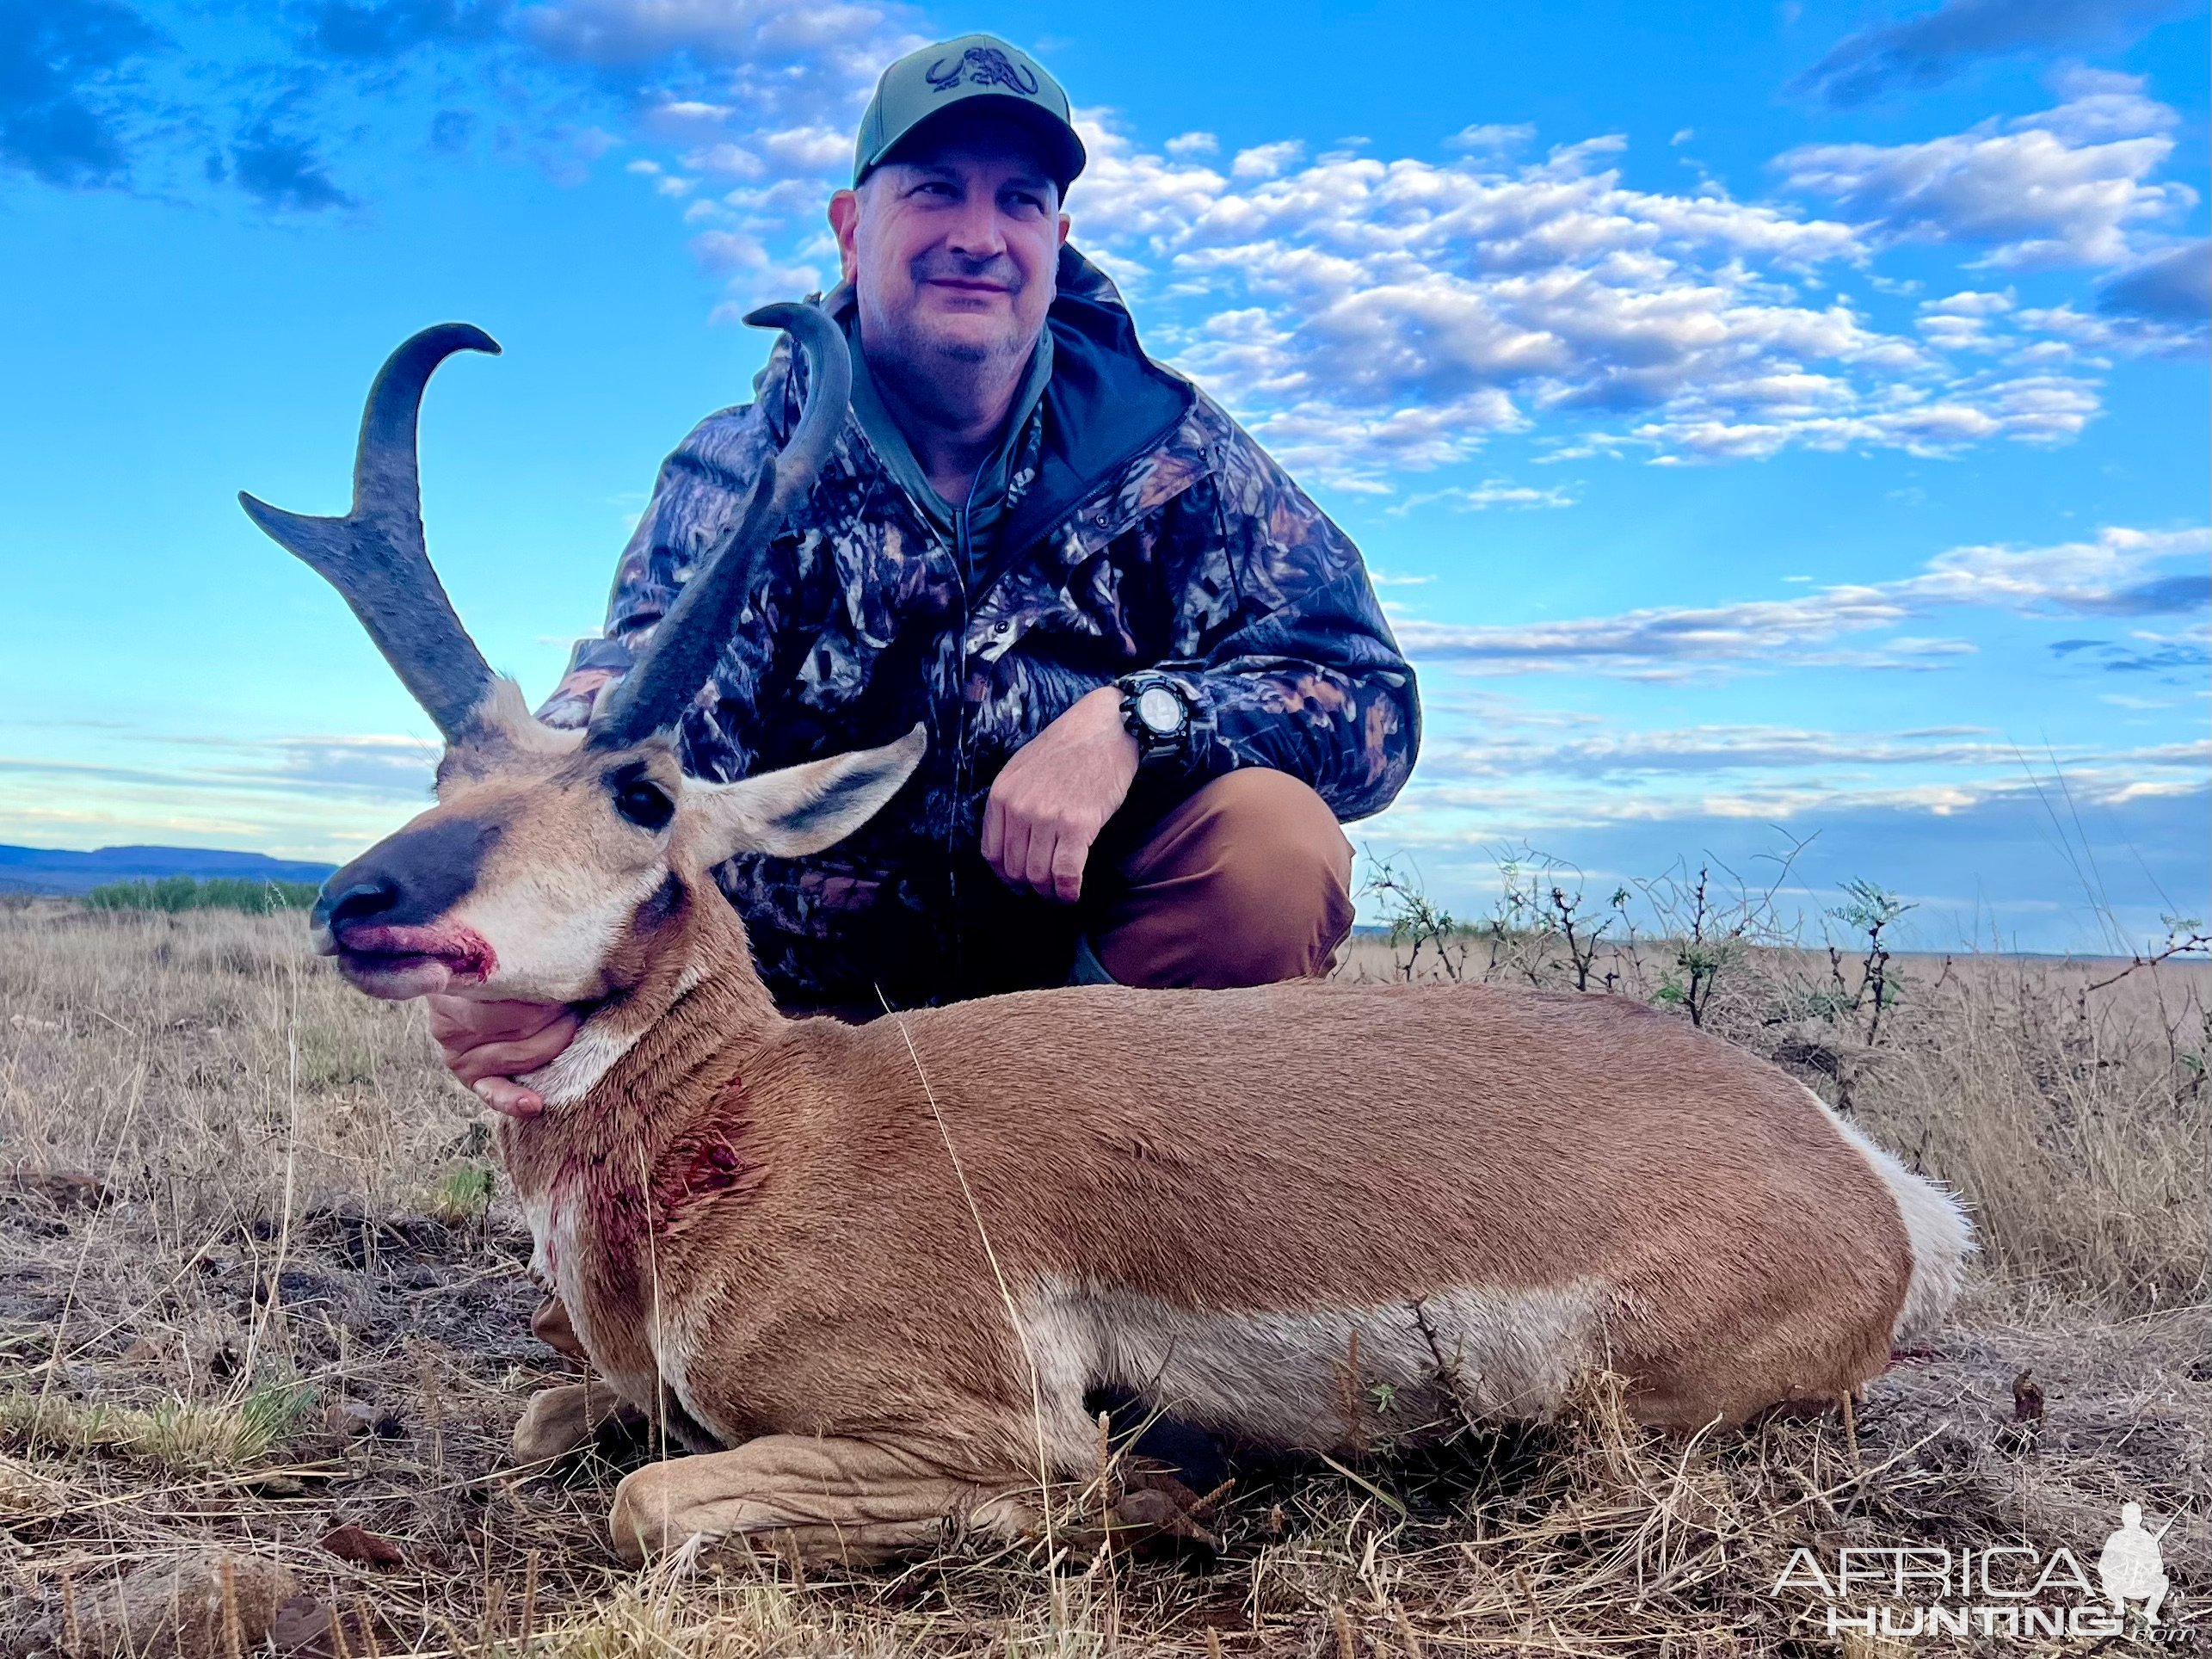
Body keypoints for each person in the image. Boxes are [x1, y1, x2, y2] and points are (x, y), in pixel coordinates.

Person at [432, 33, 1420, 1117]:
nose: (978, 237)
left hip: (1085, 1024)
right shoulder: (745, 467)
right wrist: (523, 851)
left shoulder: (1174, 457)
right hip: (803, 1039)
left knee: (1270, 847)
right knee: (610, 885)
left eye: (1019, 200)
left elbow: (1368, 697)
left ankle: (1148, 1228)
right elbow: (653, 700)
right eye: (936, 190)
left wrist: (1139, 719)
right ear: (854, 229)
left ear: (1058, 237)